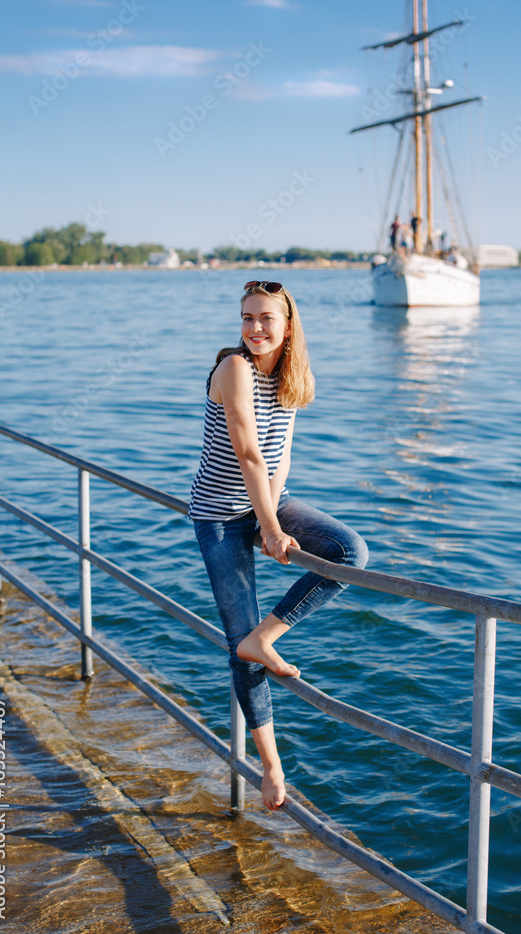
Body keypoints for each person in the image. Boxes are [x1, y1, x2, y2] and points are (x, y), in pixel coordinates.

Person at [189, 281, 369, 812]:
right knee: (237, 644)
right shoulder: (234, 369)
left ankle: (264, 637)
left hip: (269, 498)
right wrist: (269, 529)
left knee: (349, 552)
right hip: (220, 515)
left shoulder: (295, 377)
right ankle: (271, 766)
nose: (254, 329)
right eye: (247, 318)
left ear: (288, 325)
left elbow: (280, 454)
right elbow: (247, 452)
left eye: (266, 318)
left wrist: (270, 514)